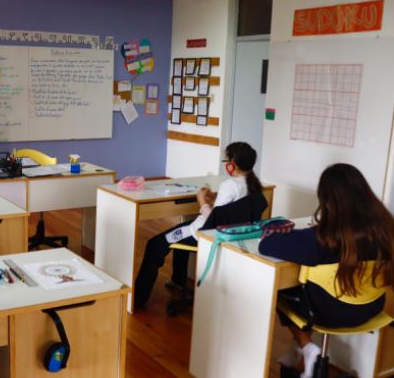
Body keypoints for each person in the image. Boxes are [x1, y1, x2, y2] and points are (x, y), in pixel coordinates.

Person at [259, 163, 394, 378]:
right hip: (372, 308)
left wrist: (274, 230)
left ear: (328, 200)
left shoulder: (323, 238)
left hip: (327, 313)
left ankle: (306, 347)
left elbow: (266, 245)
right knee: (306, 293)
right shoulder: (386, 230)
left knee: (281, 290)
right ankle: (296, 350)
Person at [134, 142, 263, 308]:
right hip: (232, 234)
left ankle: (138, 299)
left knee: (154, 245)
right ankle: (178, 281)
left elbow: (213, 221)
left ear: (232, 164)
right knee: (181, 229)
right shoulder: (253, 185)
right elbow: (232, 210)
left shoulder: (229, 185)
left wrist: (202, 201)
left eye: (227, 160)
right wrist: (215, 196)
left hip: (205, 233)